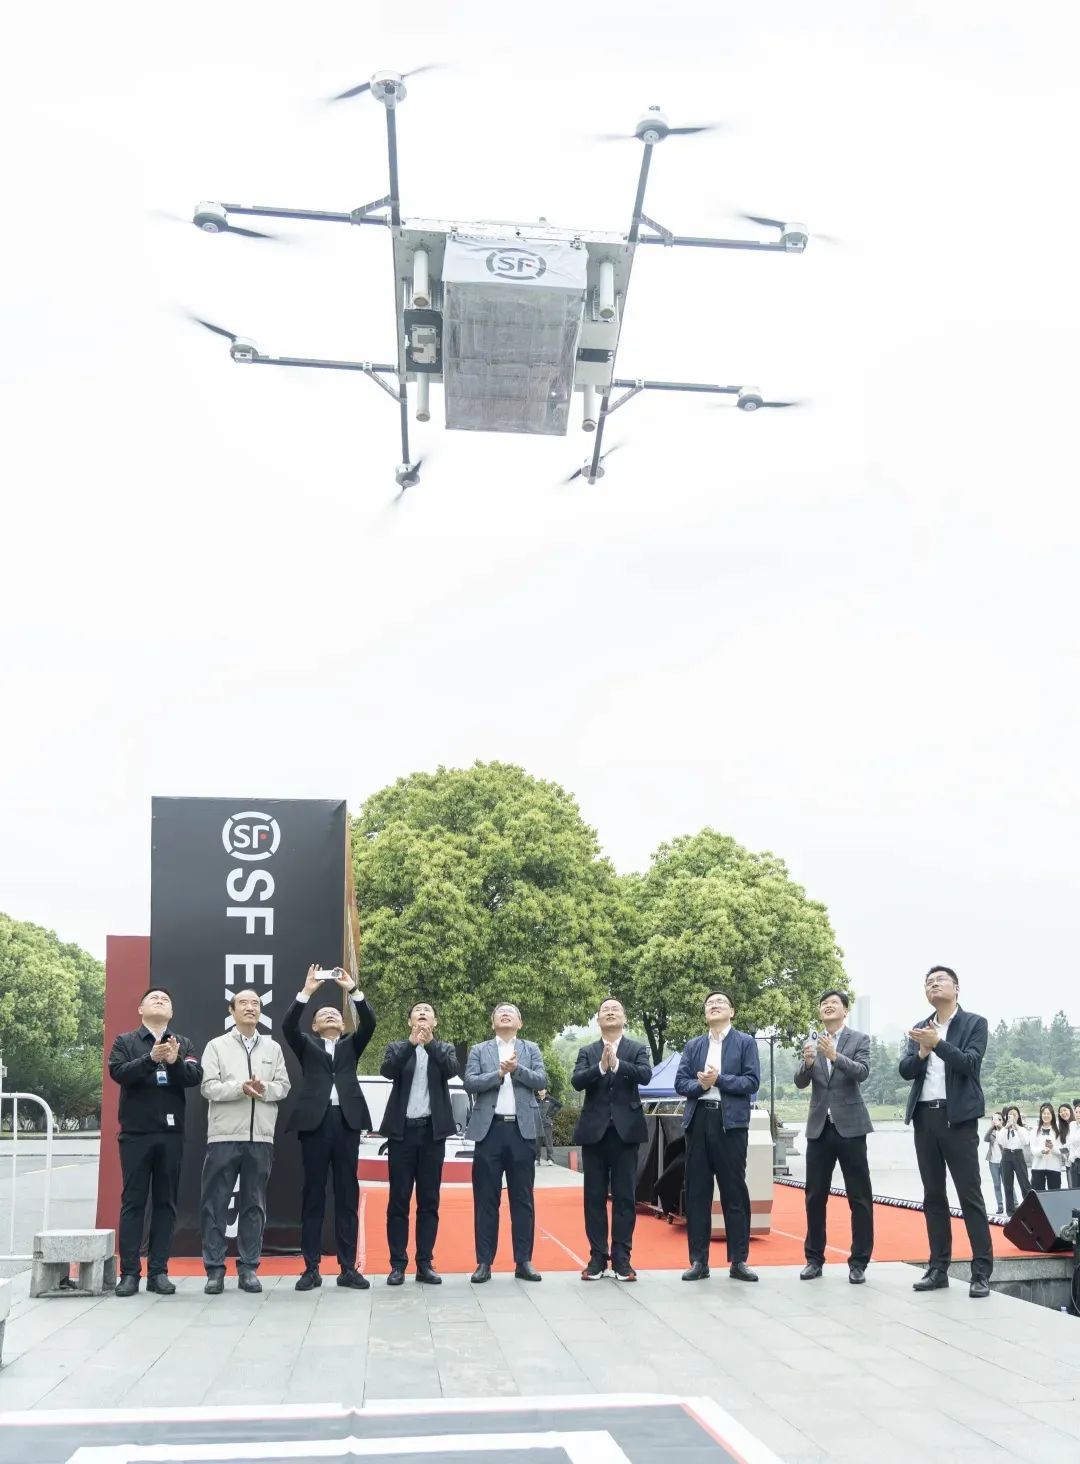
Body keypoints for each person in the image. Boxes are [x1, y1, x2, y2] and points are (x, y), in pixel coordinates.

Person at [899, 965, 993, 1299]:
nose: (933, 985)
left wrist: (938, 1043)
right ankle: (938, 1268)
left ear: (956, 988)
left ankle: (981, 1272)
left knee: (970, 1196)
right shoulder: (920, 1028)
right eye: (928, 982)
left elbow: (970, 1063)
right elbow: (905, 1070)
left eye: (940, 980)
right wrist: (922, 1051)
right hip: (925, 1118)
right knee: (933, 1195)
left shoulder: (974, 1023)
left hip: (959, 1120)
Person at [282, 964, 377, 1291]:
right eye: (323, 1014)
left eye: (335, 1014)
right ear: (314, 1025)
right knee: (313, 1195)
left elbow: (370, 1022)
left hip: (347, 1123)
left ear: (343, 1023)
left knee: (347, 1195)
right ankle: (311, 1268)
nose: (331, 1016)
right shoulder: (306, 1045)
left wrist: (352, 990)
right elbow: (287, 1025)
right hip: (315, 1124)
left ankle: (348, 1268)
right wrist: (307, 991)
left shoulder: (352, 1045)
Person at [108, 987, 203, 1296]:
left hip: (171, 1135)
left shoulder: (182, 1043)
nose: (160, 1001)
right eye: (153, 998)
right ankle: (129, 1273)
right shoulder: (125, 1041)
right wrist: (150, 1060)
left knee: (166, 1203)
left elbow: (194, 1077)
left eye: (165, 1000)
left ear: (171, 1012)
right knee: (134, 1202)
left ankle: (159, 1272)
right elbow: (119, 1072)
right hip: (136, 1134)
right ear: (140, 1009)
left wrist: (175, 1062)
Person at [199, 989, 290, 1294]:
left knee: (254, 1205)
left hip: (261, 1137)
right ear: (232, 1010)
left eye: (255, 1003)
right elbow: (208, 1087)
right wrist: (241, 1088)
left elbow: (284, 1086)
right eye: (243, 1003)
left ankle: (249, 1268)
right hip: (224, 1136)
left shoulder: (273, 1047)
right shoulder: (216, 1046)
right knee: (215, 1204)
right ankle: (214, 1270)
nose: (250, 1007)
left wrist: (263, 1089)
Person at [674, 992, 760, 1283]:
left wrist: (719, 1080)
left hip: (730, 1123)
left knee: (734, 1192)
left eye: (720, 1002)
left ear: (732, 1011)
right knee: (697, 1193)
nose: (714, 1005)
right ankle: (699, 1261)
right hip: (698, 1121)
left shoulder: (745, 1043)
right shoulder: (693, 1045)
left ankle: (739, 1261)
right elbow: (680, 1083)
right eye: (709, 1003)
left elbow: (752, 1081)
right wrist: (701, 1085)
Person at [571, 998, 653, 1282]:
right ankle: (597, 1257)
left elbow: (645, 1075)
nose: (609, 1012)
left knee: (624, 1197)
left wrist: (617, 1064)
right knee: (593, 1198)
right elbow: (577, 1081)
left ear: (624, 1017)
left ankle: (621, 1259)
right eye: (604, 1010)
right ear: (598, 1020)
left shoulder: (636, 1049)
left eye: (615, 1009)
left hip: (625, 1133)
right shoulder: (587, 1051)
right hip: (594, 1133)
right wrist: (601, 1067)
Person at [464, 1002, 547, 1283]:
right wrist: (499, 1074)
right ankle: (484, 1262)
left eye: (511, 1012)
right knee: (486, 1200)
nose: (505, 1014)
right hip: (489, 1131)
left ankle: (523, 1261)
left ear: (519, 1023)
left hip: (522, 1132)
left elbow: (541, 1080)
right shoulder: (480, 1050)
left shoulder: (530, 1049)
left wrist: (517, 1069)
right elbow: (470, 1082)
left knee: (522, 1199)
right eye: (500, 1012)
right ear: (493, 1023)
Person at [794, 990, 874, 1284]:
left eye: (834, 1003)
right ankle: (814, 1260)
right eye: (824, 1004)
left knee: (859, 1197)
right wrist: (807, 1063)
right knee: (814, 1197)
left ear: (845, 1010)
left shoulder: (859, 1039)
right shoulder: (812, 1040)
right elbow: (800, 1082)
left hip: (851, 1127)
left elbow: (862, 1072)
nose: (828, 1007)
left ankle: (859, 1262)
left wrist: (834, 1056)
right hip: (819, 1127)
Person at [379, 1000, 458, 1286]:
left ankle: (425, 1263)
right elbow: (387, 1071)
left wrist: (430, 1044)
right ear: (410, 1021)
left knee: (429, 1201)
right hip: (402, 1134)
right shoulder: (397, 1047)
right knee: (398, 1200)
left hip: (431, 1134)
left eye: (427, 1012)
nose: (422, 1014)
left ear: (434, 1022)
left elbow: (451, 1070)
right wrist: (411, 1044)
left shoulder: (444, 1048)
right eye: (417, 1011)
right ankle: (397, 1264)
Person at [997, 1105, 1031, 1216]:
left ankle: (1028, 1209)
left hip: (1018, 1154)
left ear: (1018, 1116)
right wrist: (1006, 1127)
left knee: (1024, 1184)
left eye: (1014, 1114)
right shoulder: (1004, 1129)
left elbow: (1026, 1141)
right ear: (1006, 1116)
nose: (1012, 1116)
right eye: (1010, 1115)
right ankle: (1010, 1211)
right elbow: (1000, 1141)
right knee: (1008, 1186)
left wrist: (1016, 1127)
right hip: (1006, 1155)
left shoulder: (1022, 1129)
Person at [1028, 1103, 1067, 1192]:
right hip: (1038, 1167)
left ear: (1052, 1115)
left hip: (1054, 1167)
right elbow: (1033, 1149)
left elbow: (1063, 1149)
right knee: (1038, 1194)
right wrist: (1042, 1151)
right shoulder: (1035, 1130)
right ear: (1041, 1115)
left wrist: (1052, 1148)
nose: (1046, 1116)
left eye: (1048, 1113)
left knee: (1054, 1193)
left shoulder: (1058, 1130)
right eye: (1044, 1113)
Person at [983, 1112, 1005, 1220]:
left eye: (999, 1119)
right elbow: (985, 1139)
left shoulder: (1005, 1131)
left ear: (1003, 1120)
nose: (997, 1121)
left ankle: (1014, 1204)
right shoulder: (992, 1132)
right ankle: (1000, 1206)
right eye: (994, 1119)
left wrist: (1001, 1127)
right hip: (993, 1161)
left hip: (1004, 1161)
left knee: (1007, 1184)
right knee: (997, 1184)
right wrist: (992, 1127)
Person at [536, 1089, 561, 1166]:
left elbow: (559, 1105)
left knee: (548, 1142)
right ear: (538, 1091)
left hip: (547, 1124)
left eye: (542, 1090)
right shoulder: (536, 1099)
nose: (541, 1091)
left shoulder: (550, 1099)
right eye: (539, 1090)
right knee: (537, 1143)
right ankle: (537, 1159)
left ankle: (550, 1159)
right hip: (537, 1124)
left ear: (545, 1090)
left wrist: (550, 1114)